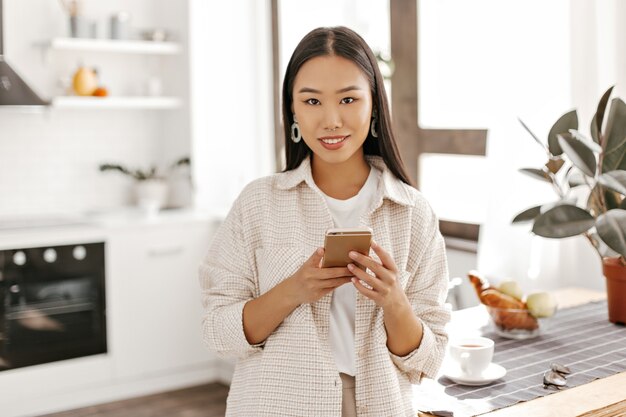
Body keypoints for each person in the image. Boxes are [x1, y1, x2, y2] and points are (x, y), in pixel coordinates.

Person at [199, 26, 450, 417]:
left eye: (348, 99)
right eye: (312, 101)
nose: (331, 120)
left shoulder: (413, 213)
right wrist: (292, 291)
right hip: (274, 405)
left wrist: (394, 301)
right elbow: (219, 331)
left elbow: (428, 360)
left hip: (378, 405)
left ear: (374, 106)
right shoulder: (258, 203)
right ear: (293, 110)